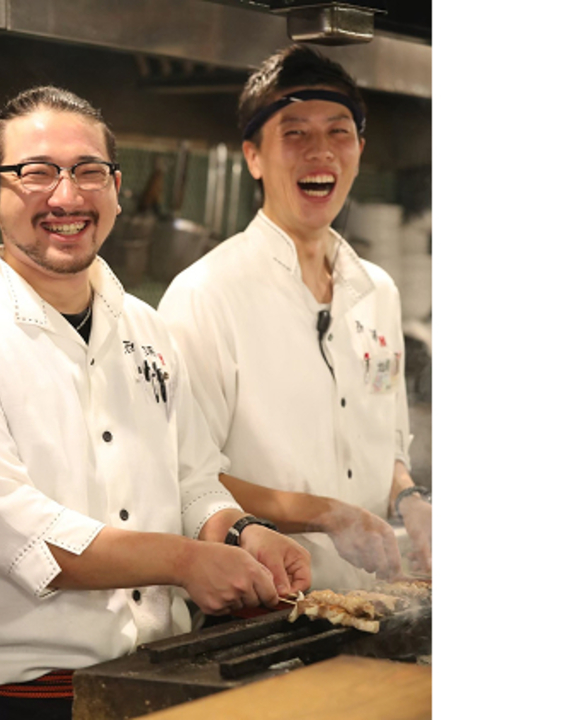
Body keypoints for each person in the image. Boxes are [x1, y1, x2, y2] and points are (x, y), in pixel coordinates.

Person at [0, 86, 312, 720]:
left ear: (117, 189)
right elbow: (16, 535)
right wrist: (185, 561)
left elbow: (192, 480)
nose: (67, 197)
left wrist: (242, 532)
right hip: (17, 701)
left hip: (161, 681)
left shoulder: (146, 328)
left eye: (89, 172)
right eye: (36, 173)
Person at [158, 46, 433, 592]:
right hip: (268, 608)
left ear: (359, 149)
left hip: (374, 605)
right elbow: (185, 478)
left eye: (338, 132)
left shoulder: (378, 290)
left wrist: (410, 499)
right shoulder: (205, 295)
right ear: (253, 157)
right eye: (294, 133)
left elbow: (387, 449)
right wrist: (324, 513)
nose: (321, 152)